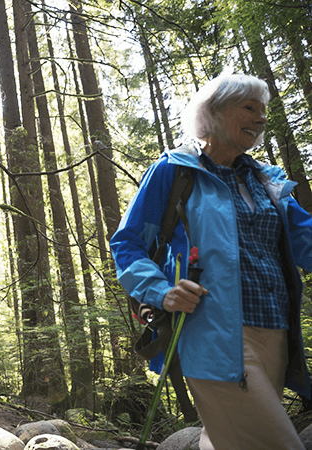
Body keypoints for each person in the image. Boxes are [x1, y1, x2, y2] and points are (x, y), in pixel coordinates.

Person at [110, 73, 312, 449]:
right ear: (215, 112)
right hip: (214, 335)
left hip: (277, 334)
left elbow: (307, 241)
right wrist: (161, 290)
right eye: (250, 108)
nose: (262, 118)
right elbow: (128, 242)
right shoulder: (176, 170)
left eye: (264, 111)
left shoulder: (267, 182)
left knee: (227, 440)